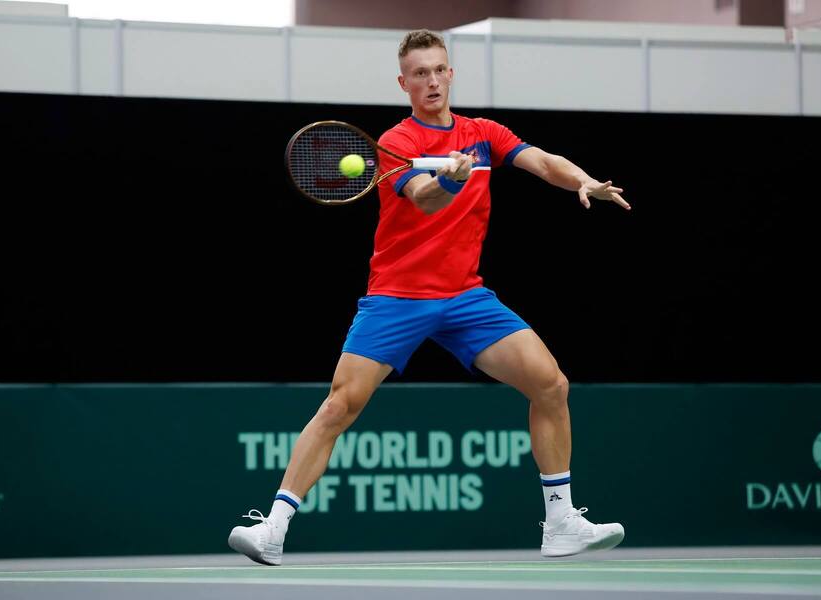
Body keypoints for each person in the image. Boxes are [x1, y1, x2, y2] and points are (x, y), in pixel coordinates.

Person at [229, 28, 630, 565]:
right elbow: (423, 199)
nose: (432, 80)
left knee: (551, 384)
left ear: (451, 73)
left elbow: (542, 161)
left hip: (464, 297)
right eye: (420, 73)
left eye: (439, 69)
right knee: (340, 406)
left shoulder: (482, 132)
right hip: (397, 295)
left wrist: (583, 181)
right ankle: (272, 529)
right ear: (405, 83)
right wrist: (451, 181)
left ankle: (560, 521)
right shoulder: (397, 143)